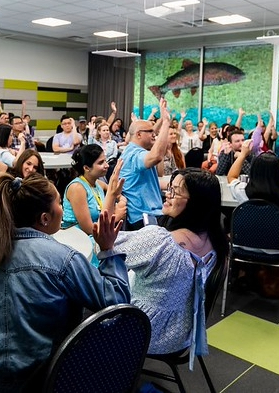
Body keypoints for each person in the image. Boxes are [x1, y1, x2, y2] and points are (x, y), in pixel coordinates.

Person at [0, 172, 130, 391]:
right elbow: (117, 301)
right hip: (36, 381)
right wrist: (108, 250)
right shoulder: (62, 259)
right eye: (60, 203)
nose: (62, 209)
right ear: (45, 218)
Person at [113, 168, 227, 356]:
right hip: (180, 335)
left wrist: (112, 203)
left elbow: (105, 245)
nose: (167, 194)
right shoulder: (217, 245)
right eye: (169, 188)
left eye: (175, 191)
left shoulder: (161, 240)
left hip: (143, 331)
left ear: (196, 203)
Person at [229, 152, 279, 256]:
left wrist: (242, 155)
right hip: (278, 252)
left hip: (243, 248)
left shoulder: (242, 191)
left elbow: (231, 177)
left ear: (253, 171)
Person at [62, 146, 125, 264]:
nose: (107, 165)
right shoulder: (77, 188)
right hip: (81, 240)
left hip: (100, 235)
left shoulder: (98, 184)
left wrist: (122, 201)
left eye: (105, 161)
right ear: (86, 168)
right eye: (101, 163)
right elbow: (89, 229)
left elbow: (117, 193)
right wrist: (116, 217)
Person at [119, 97, 170, 229]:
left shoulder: (138, 151)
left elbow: (149, 181)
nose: (154, 135)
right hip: (144, 218)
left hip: (154, 213)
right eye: (150, 132)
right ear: (139, 134)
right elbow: (157, 156)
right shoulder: (133, 154)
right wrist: (165, 123)